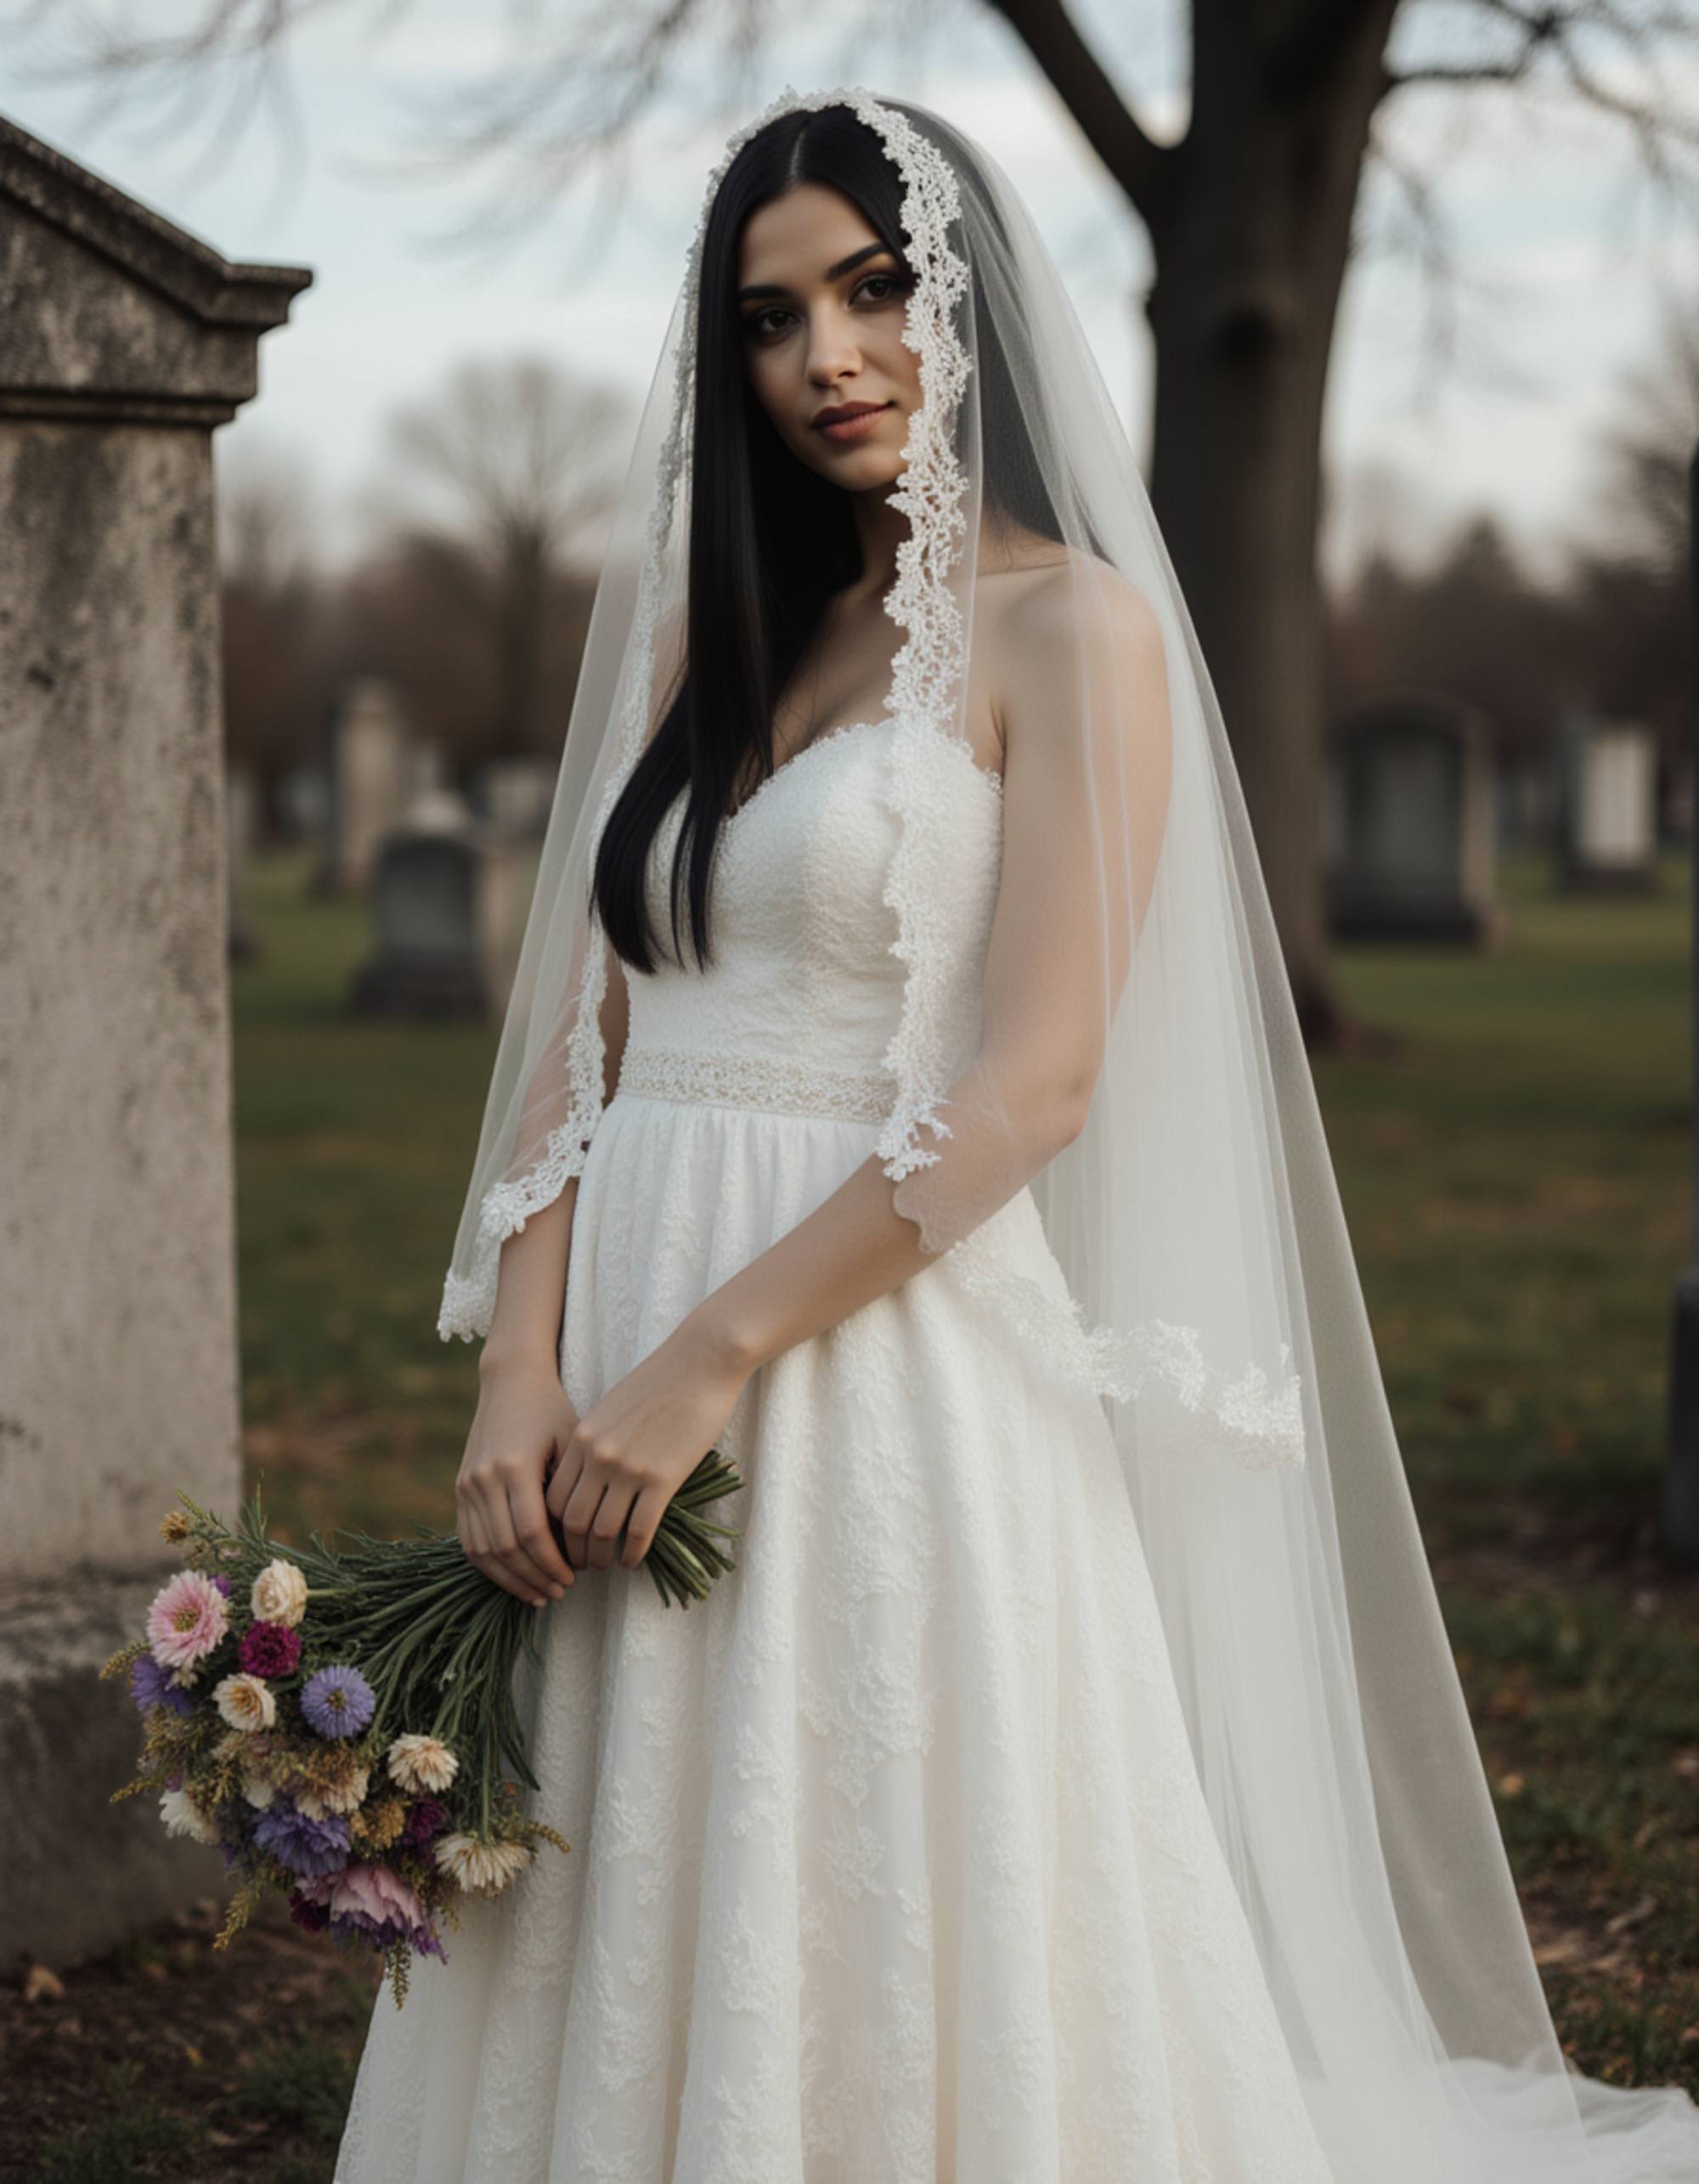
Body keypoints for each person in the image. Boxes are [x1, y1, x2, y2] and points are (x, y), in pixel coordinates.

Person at [334, 87, 1699, 2183]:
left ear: (960, 298)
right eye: (773, 318)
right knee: (620, 1854)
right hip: (608, 1326)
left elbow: (1037, 1079)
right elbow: (577, 1046)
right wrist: (525, 1361)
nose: (828, 358)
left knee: (869, 1851)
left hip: (867, 1353)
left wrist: (709, 1356)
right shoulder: (712, 639)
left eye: (874, 291)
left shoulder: (1071, 629)